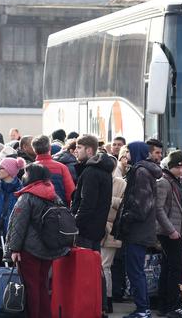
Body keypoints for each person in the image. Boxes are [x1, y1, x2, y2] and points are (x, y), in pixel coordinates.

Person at [5, 164, 69, 318]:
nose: (23, 176)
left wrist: (13, 249)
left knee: (31, 286)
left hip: (29, 250)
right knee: (42, 285)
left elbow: (18, 226)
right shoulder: (54, 195)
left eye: (25, 173)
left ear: (31, 176)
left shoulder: (27, 196)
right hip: (49, 248)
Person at [70, 134, 114, 316]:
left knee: (87, 271)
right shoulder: (104, 171)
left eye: (79, 148)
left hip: (86, 229)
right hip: (97, 228)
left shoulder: (90, 172)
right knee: (97, 269)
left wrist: (74, 223)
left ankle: (90, 307)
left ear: (89, 150)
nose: (75, 151)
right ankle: (100, 305)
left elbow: (86, 204)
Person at [118, 141, 162, 318]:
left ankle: (143, 309)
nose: (126, 155)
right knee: (135, 270)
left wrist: (126, 218)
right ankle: (143, 308)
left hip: (138, 230)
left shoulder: (141, 172)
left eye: (128, 151)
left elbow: (142, 205)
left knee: (135, 271)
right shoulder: (142, 170)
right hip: (140, 230)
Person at [154, 150, 182, 316]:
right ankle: (170, 304)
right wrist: (171, 230)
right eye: (178, 167)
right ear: (170, 166)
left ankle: (166, 304)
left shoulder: (178, 181)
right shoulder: (164, 181)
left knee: (170, 268)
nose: (181, 170)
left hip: (176, 231)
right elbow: (158, 208)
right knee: (174, 269)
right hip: (169, 232)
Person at [101, 156, 127, 314]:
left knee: (105, 266)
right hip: (97, 228)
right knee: (101, 267)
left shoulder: (121, 183)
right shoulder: (97, 180)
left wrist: (109, 200)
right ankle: (103, 298)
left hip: (111, 230)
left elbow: (125, 205)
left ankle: (107, 299)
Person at [33, 135, 75, 206]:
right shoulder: (62, 167)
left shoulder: (30, 168)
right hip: (59, 210)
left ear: (34, 150)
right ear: (50, 148)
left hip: (36, 211)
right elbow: (71, 193)